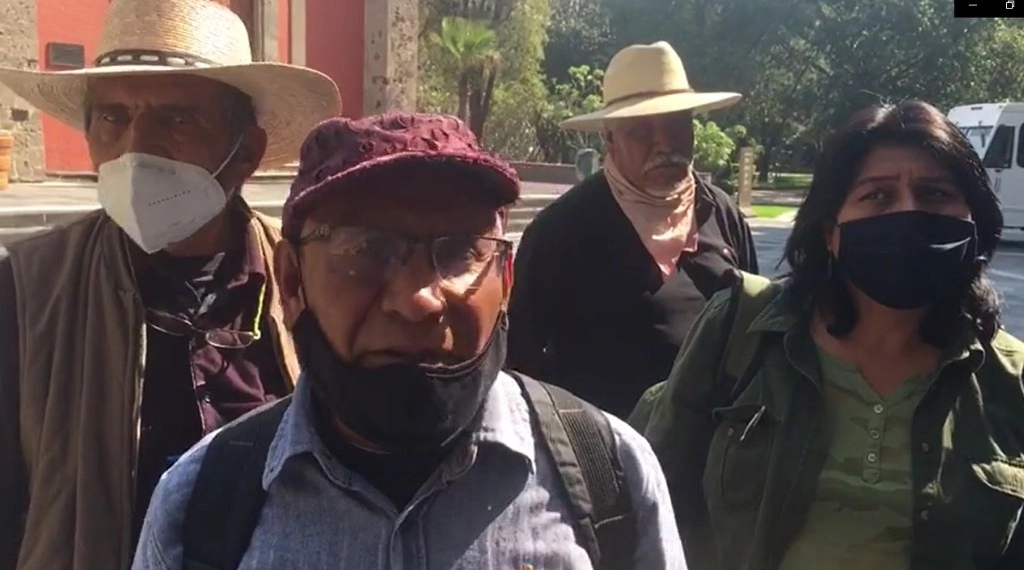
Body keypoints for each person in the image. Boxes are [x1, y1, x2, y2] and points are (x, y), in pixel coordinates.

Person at [132, 112, 686, 570]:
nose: (419, 298)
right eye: (367, 249)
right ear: (293, 281)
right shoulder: (201, 504)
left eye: (460, 251)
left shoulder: (610, 477)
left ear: (506, 278)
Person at [0, 0, 341, 568]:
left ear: (246, 153)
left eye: (178, 119)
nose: (136, 146)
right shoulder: (27, 291)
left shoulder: (309, 277)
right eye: (112, 117)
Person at [633, 100, 1024, 569]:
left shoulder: (1007, 380)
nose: (909, 214)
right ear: (830, 233)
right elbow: (652, 496)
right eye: (877, 196)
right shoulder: (742, 329)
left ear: (973, 224)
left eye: (935, 194)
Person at [507, 41, 759, 419]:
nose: (665, 144)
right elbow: (520, 362)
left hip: (711, 459)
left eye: (677, 125)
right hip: (603, 461)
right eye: (641, 132)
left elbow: (755, 332)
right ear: (609, 139)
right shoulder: (561, 230)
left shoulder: (721, 213)